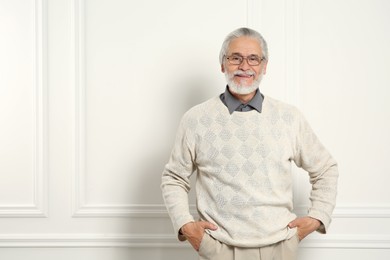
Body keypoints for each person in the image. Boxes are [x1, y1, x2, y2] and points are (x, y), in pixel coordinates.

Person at [161, 27, 338, 260]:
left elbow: (325, 168)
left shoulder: (289, 117)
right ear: (222, 64)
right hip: (218, 247)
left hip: (281, 247)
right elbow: (174, 178)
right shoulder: (195, 119)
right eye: (235, 58)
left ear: (264, 66)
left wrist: (317, 217)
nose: (244, 66)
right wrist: (186, 226)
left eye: (253, 59)